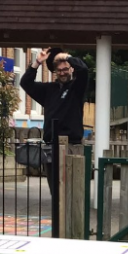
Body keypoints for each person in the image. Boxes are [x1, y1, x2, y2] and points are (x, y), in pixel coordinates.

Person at [20, 47, 88, 191]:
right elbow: (25, 83)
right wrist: (37, 62)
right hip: (51, 145)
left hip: (71, 145)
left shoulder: (77, 88)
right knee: (55, 190)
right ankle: (56, 207)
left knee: (72, 189)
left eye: (65, 69)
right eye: (59, 70)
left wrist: (66, 56)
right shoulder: (49, 90)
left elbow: (83, 69)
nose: (62, 72)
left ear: (71, 69)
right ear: (55, 72)